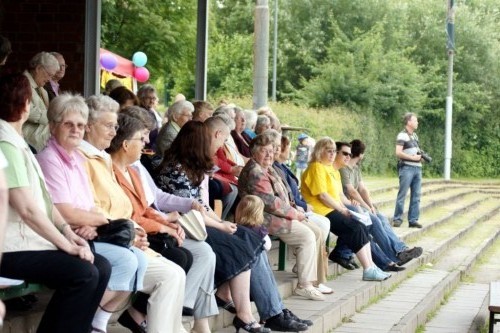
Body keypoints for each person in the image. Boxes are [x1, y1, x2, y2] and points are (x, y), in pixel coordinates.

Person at [154, 121, 311, 332]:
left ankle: (271, 311)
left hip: (201, 224)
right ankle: (255, 314)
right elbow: (190, 212)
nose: (216, 145)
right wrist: (220, 225)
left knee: (250, 240)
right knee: (245, 243)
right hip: (185, 227)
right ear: (197, 143)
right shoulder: (175, 170)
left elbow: (202, 207)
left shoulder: (195, 167)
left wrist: (220, 222)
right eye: (212, 140)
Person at [0, 73, 111, 333]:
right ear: (27, 104)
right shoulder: (6, 144)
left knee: (100, 266)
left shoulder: (19, 143)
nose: (75, 130)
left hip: (29, 242)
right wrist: (68, 246)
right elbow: (27, 211)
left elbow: (47, 205)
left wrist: (69, 235)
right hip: (11, 248)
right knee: (83, 273)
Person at [35, 93, 148, 333]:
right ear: (54, 126)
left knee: (134, 259)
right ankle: (84, 322)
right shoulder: (49, 159)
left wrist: (95, 224)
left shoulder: (76, 158)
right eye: (69, 124)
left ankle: (93, 323)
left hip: (83, 233)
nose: (76, 130)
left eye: (80, 125)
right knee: (104, 265)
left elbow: (89, 207)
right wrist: (100, 222)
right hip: (57, 236)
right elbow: (64, 212)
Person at [80, 95, 187, 333]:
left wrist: (142, 228)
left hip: (126, 236)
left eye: (114, 127)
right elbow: (93, 209)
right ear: (89, 126)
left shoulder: (103, 160)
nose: (113, 132)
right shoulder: (88, 159)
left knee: (178, 269)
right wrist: (138, 230)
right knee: (171, 272)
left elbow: (132, 208)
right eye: (108, 126)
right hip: (107, 238)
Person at [238, 134, 328, 300]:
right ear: (254, 153)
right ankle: (304, 285)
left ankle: (310, 277)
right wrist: (296, 214)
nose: (269, 155)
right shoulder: (255, 171)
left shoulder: (269, 168)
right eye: (264, 151)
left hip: (279, 214)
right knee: (307, 235)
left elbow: (284, 195)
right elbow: (271, 203)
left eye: (271, 151)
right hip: (262, 217)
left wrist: (297, 212)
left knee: (316, 230)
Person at [108, 113, 194, 272]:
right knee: (180, 257)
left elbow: (145, 208)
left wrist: (168, 225)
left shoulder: (132, 171)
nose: (146, 142)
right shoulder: (110, 173)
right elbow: (131, 215)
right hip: (135, 234)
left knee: (185, 256)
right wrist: (163, 227)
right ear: (126, 145)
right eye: (141, 139)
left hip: (145, 230)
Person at [300, 137, 391, 281]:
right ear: (319, 151)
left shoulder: (331, 170)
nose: (332, 154)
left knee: (360, 225)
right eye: (328, 151)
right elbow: (323, 196)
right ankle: (368, 268)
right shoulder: (316, 167)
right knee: (354, 227)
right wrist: (342, 210)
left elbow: (338, 196)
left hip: (330, 209)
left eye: (333, 151)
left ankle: (371, 267)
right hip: (319, 211)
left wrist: (348, 208)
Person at [341, 139, 423, 265]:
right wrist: (366, 207)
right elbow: (352, 192)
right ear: (361, 155)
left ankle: (400, 249)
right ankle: (396, 256)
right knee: (375, 221)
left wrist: (371, 206)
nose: (347, 157)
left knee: (381, 218)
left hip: (357, 205)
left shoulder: (355, 169)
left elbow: (362, 189)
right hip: (349, 205)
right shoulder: (343, 169)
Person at [333, 142, 407, 272]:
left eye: (349, 154)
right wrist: (361, 207)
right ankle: (393, 256)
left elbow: (350, 193)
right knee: (368, 222)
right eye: (344, 153)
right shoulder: (338, 170)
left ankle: (397, 251)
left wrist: (367, 206)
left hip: (344, 205)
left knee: (378, 218)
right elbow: (344, 193)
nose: (348, 156)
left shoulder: (338, 171)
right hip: (332, 209)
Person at [22, 52, 60, 152]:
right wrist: (53, 116)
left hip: (40, 142)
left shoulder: (42, 89)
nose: (49, 79)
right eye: (49, 75)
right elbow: (26, 110)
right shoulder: (22, 83)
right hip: (28, 143)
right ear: (38, 69)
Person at [393, 112, 424, 228]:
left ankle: (413, 220)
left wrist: (420, 158)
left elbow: (416, 151)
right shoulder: (402, 135)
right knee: (402, 194)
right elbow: (398, 152)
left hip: (417, 168)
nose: (417, 122)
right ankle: (397, 219)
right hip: (407, 168)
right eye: (415, 120)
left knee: (416, 195)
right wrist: (412, 158)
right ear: (409, 122)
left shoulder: (415, 136)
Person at [137, 84, 162, 150]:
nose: (152, 101)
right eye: (148, 98)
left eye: (153, 98)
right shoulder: (138, 112)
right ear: (141, 98)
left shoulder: (152, 110)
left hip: (152, 147)